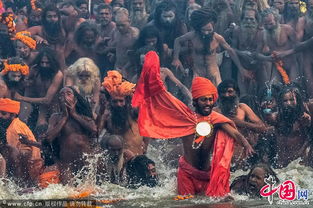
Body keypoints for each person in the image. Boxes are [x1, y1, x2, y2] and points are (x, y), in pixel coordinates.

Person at [132, 51, 254, 197]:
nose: (208, 103)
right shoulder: (185, 117)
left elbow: (235, 133)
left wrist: (246, 145)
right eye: (203, 100)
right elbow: (165, 97)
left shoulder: (216, 119)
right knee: (186, 204)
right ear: (195, 101)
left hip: (207, 174)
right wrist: (153, 78)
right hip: (187, 173)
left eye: (210, 99)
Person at [172, 8, 251, 86]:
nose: (206, 33)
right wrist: (176, 58)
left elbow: (230, 50)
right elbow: (177, 41)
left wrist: (241, 69)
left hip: (214, 75)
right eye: (204, 30)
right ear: (198, 28)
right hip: (198, 74)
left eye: (209, 30)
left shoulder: (217, 38)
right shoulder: (192, 35)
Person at [44, 86, 97, 183]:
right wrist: (64, 117)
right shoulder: (55, 117)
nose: (64, 97)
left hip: (86, 161)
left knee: (89, 192)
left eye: (68, 94)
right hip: (67, 164)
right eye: (61, 95)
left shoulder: (84, 115)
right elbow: (49, 138)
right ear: (59, 101)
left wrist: (74, 114)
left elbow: (93, 129)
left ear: (75, 99)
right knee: (69, 194)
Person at [214, 80, 270, 170]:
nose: (226, 95)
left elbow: (262, 128)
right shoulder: (215, 112)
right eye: (223, 92)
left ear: (237, 93)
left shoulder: (243, 108)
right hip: (222, 160)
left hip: (243, 158)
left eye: (230, 91)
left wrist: (241, 123)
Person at [14, 47, 63, 136]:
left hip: (51, 104)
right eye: (42, 62)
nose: (44, 65)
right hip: (33, 100)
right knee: (21, 119)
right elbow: (22, 83)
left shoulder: (58, 75)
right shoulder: (35, 70)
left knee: (41, 127)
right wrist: (26, 82)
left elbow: (47, 100)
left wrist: (21, 98)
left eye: (47, 63)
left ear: (52, 62)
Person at [100, 70, 149, 156]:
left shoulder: (134, 113)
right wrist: (101, 112)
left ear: (126, 101)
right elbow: (95, 134)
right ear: (110, 102)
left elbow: (146, 127)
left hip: (137, 159)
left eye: (121, 101)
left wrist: (145, 146)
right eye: (115, 101)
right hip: (117, 160)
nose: (118, 104)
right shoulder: (107, 117)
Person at [0, 98, 43, 185]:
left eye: (3, 113)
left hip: (30, 170)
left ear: (13, 115)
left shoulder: (14, 128)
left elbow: (14, 155)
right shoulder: (17, 124)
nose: (0, 116)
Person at [275, 86, 311, 167]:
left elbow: (309, 138)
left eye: (291, 100)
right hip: (282, 164)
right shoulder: (277, 118)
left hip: (300, 164)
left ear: (297, 100)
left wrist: (301, 152)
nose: (288, 103)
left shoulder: (304, 118)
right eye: (285, 101)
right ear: (281, 102)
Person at [108, 8, 139, 79]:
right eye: (118, 25)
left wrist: (125, 68)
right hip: (117, 67)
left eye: (123, 25)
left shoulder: (135, 35)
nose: (120, 28)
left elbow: (135, 55)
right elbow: (113, 46)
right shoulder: (115, 31)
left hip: (130, 69)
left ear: (129, 22)